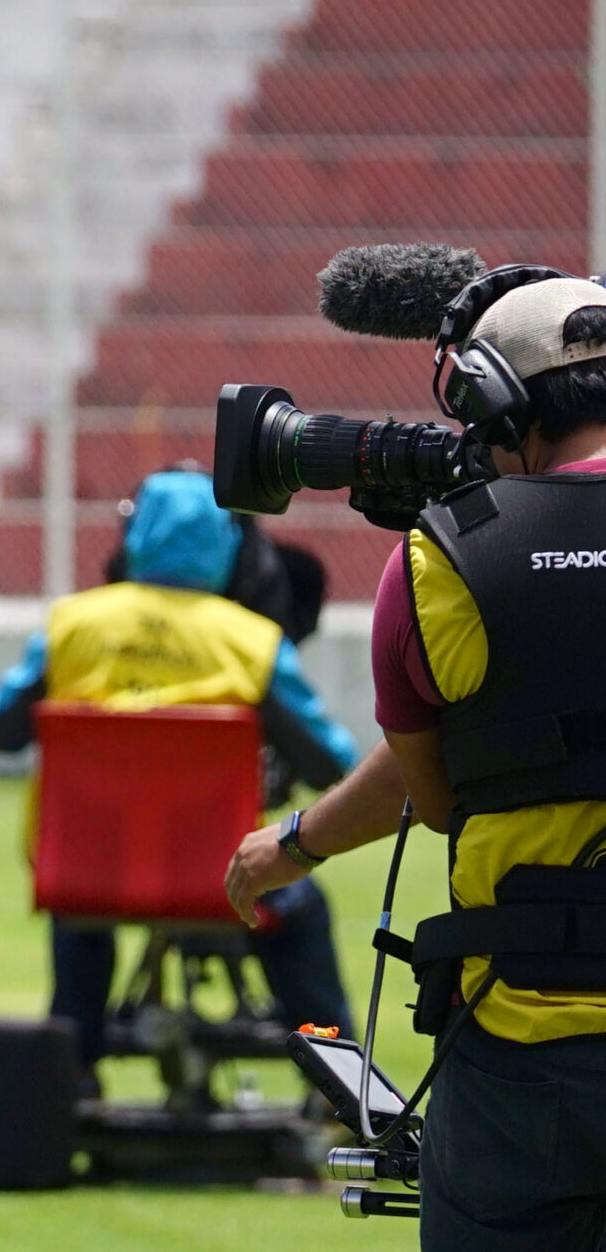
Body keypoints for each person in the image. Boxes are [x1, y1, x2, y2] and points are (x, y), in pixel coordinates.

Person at [234, 277, 606, 1248]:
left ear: (493, 402)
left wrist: (296, 843)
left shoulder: (437, 561)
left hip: (522, 1055)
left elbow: (437, 796)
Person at [0, 468, 358, 1080]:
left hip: (88, 873)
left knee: (81, 914)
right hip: (223, 879)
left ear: (135, 538)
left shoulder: (71, 625)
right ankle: (342, 1087)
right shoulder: (252, 643)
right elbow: (330, 764)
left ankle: (69, 1076)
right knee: (301, 909)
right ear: (230, 547)